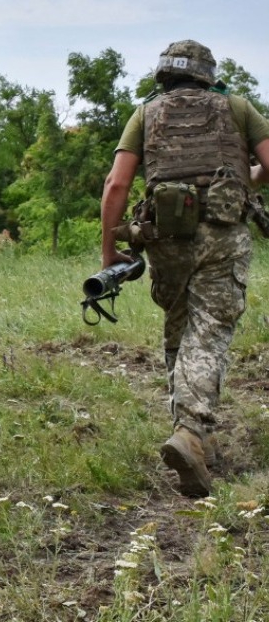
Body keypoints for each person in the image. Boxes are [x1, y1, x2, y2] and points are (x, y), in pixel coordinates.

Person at [101, 39, 269, 498]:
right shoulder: (237, 107)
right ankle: (191, 432)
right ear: (207, 75)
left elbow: (117, 184)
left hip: (165, 238)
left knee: (179, 329)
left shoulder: (146, 113)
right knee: (209, 332)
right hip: (222, 236)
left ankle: (199, 437)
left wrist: (108, 254)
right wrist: (246, 180)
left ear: (164, 75)